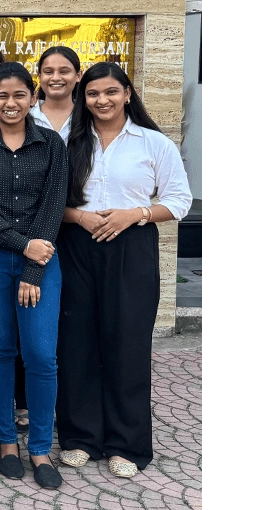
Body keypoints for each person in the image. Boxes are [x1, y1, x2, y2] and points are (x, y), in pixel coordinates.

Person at [57, 62, 191, 480]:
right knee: (77, 343)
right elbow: (46, 201)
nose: (102, 100)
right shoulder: (67, 140)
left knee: (126, 344)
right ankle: (79, 438)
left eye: (111, 92)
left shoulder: (153, 143)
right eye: (94, 93)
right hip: (76, 245)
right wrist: (79, 217)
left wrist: (137, 214)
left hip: (132, 245)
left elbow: (180, 200)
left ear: (128, 94)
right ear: (84, 97)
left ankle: (126, 444)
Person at [0, 62, 69, 489]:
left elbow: (53, 204)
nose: (10, 103)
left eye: (19, 95)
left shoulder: (52, 145)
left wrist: (32, 266)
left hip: (41, 259)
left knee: (41, 354)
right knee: (0, 350)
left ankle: (40, 447)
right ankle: (6, 442)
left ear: (32, 95)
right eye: (0, 95)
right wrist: (22, 246)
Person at [29, 46, 80, 140]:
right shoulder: (27, 116)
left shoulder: (88, 117)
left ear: (78, 76)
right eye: (48, 72)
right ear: (39, 76)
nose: (56, 78)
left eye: (64, 72)